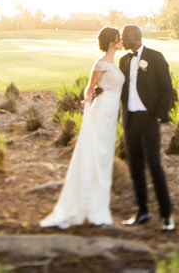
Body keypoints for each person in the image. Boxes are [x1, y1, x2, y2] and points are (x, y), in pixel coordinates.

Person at [40, 26, 125, 228]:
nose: (122, 40)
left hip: (112, 113)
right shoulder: (101, 63)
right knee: (96, 154)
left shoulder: (116, 63)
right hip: (102, 110)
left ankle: (98, 204)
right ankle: (90, 206)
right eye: (119, 38)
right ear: (112, 41)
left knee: (104, 156)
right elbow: (89, 89)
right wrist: (87, 103)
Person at [118, 23, 175, 231]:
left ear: (136, 37)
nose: (122, 39)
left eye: (125, 36)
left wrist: (160, 116)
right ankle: (142, 212)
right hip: (130, 121)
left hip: (150, 120)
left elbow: (167, 89)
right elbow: (119, 88)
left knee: (154, 166)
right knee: (135, 168)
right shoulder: (123, 60)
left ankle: (166, 215)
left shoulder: (155, 57)